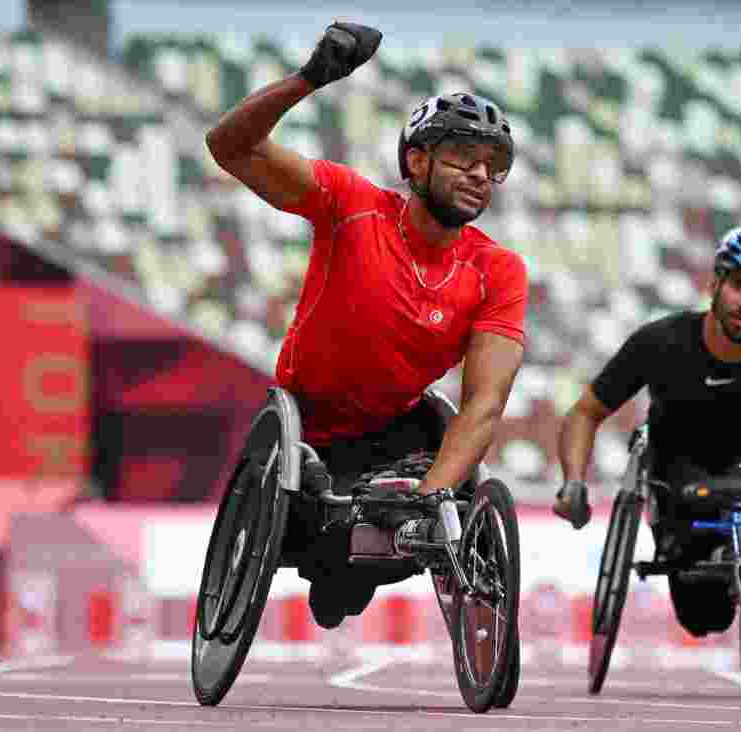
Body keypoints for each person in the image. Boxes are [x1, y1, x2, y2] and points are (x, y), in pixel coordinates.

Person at [206, 21, 527, 629]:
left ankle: (350, 569)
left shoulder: (498, 271)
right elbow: (229, 146)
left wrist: (434, 493)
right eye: (464, 157)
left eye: (493, 165)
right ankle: (337, 561)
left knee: (356, 570)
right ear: (417, 160)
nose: (481, 175)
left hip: (398, 442)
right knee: (334, 556)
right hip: (307, 432)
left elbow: (484, 402)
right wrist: (309, 79)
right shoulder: (350, 204)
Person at [553, 227, 741, 637]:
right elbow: (583, 414)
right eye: (738, 285)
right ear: (714, 282)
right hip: (672, 469)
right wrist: (573, 483)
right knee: (702, 617)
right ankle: (701, 552)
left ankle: (736, 547)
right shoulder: (660, 342)